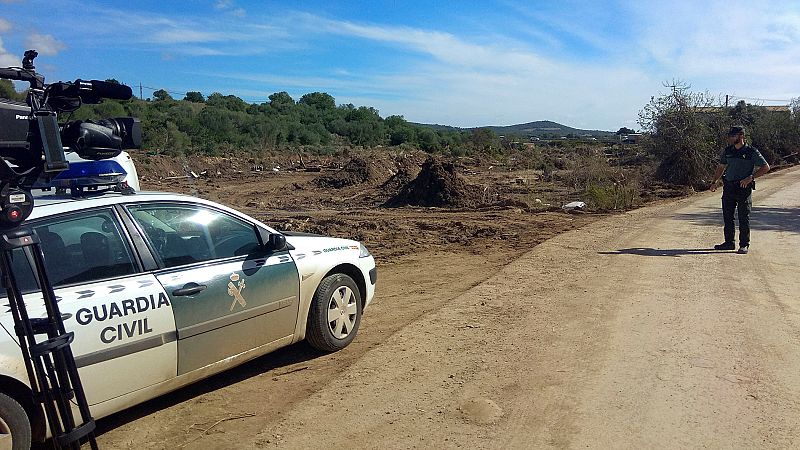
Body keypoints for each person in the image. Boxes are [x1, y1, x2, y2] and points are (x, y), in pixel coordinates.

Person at [709, 126, 770, 254]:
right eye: (730, 136)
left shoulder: (751, 151)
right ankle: (729, 243)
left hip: (743, 188)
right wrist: (714, 182)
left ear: (741, 136)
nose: (731, 138)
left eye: (733, 135)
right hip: (729, 187)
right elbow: (721, 167)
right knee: (728, 217)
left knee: (743, 217)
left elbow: (765, 167)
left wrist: (751, 178)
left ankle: (744, 245)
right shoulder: (728, 151)